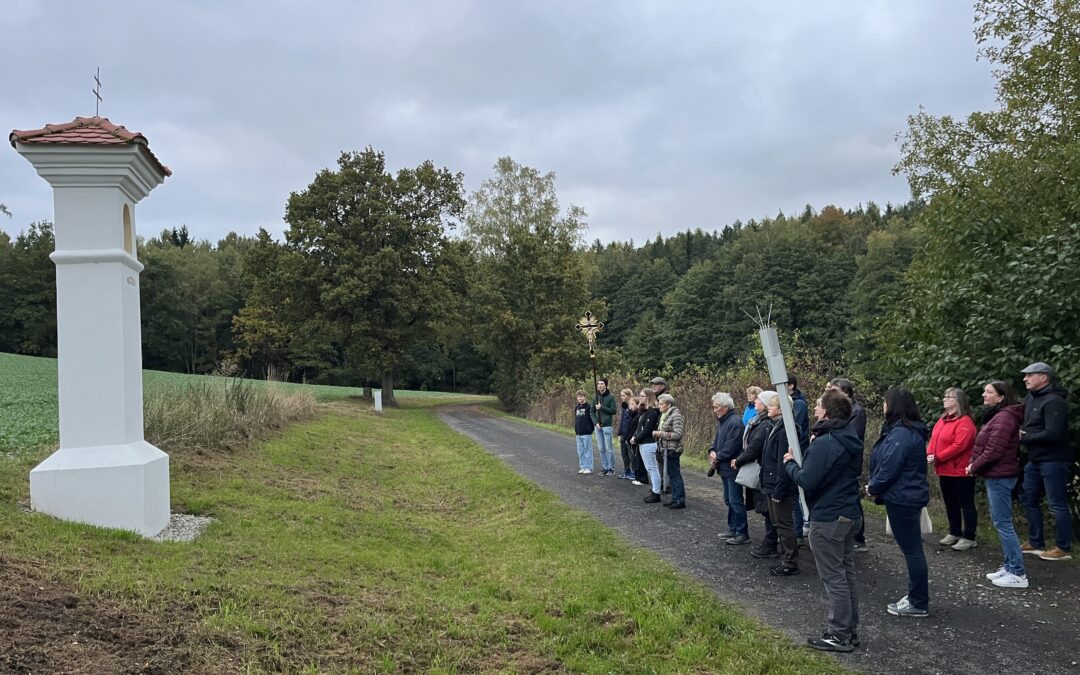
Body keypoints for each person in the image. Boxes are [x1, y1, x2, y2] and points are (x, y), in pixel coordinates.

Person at [784, 390, 864, 652]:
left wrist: (790, 465)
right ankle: (848, 630)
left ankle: (839, 634)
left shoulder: (826, 442)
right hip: (849, 513)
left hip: (829, 516)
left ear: (828, 412)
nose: (815, 410)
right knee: (846, 572)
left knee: (834, 576)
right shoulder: (849, 436)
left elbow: (807, 479)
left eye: (818, 406)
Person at [867, 387, 930, 618]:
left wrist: (873, 486)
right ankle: (916, 597)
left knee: (912, 551)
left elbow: (890, 466)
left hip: (903, 497)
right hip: (904, 494)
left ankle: (918, 601)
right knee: (911, 549)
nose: (883, 406)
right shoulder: (900, 431)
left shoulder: (902, 434)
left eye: (885, 402)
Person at [969, 380, 1028, 588]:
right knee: (1000, 522)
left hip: (1000, 475)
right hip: (996, 475)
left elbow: (994, 450)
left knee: (1003, 524)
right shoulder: (1000, 416)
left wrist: (973, 466)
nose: (984, 395)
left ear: (1001, 397)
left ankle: (1018, 573)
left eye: (988, 392)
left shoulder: (1004, 418)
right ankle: (1010, 565)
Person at [1019, 362, 1074, 561]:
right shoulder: (1030, 399)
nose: (1025, 379)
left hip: (1054, 459)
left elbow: (1052, 433)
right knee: (1029, 498)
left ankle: (1063, 547)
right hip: (1034, 458)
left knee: (1056, 503)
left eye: (1030, 375)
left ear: (1044, 377)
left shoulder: (1054, 401)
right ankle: (1035, 541)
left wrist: (1024, 437)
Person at [760, 390, 806, 576]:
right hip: (771, 483)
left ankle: (790, 561)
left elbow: (782, 462)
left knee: (784, 523)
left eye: (771, 405)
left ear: (781, 410)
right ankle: (785, 556)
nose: (768, 408)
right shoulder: (774, 426)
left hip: (779, 486)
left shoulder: (786, 430)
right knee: (777, 521)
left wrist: (778, 490)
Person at [927, 387, 978, 550]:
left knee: (965, 502)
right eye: (945, 396)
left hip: (961, 470)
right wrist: (929, 453)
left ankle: (969, 536)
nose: (944, 399)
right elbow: (934, 439)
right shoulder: (942, 420)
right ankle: (954, 531)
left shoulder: (965, 422)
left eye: (949, 397)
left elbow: (960, 445)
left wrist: (939, 456)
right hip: (944, 469)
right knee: (950, 502)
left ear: (958, 402)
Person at [827, 377, 869, 550]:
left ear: (846, 392)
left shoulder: (857, 411)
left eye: (835, 390)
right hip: (841, 458)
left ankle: (859, 536)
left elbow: (853, 434)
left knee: (852, 498)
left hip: (850, 460)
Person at [736, 391, 775, 552]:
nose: (756, 402)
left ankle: (771, 543)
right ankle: (770, 541)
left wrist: (739, 460)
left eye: (759, 400)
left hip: (762, 469)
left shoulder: (765, 424)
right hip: (760, 468)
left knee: (767, 509)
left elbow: (755, 447)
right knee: (765, 509)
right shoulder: (758, 421)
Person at [707, 393, 746, 539]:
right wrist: (712, 451)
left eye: (716, 407)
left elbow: (731, 446)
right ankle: (733, 528)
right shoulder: (723, 422)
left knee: (735, 500)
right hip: (723, 466)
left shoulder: (735, 423)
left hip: (731, 467)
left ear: (725, 407)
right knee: (729, 500)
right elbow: (716, 441)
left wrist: (718, 456)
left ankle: (742, 532)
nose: (715, 410)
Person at [788, 375, 811, 540]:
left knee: (799, 489)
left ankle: (805, 524)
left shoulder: (799, 404)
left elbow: (793, 426)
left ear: (791, 386)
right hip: (792, 451)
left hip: (799, 450)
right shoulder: (788, 402)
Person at [654, 393, 686, 509]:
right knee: (671, 475)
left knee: (675, 474)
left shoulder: (676, 415)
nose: (659, 406)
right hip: (665, 449)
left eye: (662, 404)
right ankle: (674, 498)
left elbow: (678, 434)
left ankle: (680, 499)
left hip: (673, 449)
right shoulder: (665, 416)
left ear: (668, 404)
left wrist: (660, 434)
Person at [631, 389, 662, 503]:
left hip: (648, 443)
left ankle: (656, 492)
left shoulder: (652, 413)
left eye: (643, 396)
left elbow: (647, 430)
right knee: (650, 468)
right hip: (643, 443)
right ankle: (655, 489)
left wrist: (636, 439)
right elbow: (640, 428)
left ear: (648, 397)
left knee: (652, 468)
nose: (641, 398)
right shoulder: (644, 412)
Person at [593, 378, 618, 476]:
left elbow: (613, 410)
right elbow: (591, 411)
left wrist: (601, 407)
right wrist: (596, 423)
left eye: (602, 384)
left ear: (606, 385)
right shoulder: (595, 397)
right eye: (598, 384)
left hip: (607, 426)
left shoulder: (611, 397)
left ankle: (611, 468)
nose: (599, 385)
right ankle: (605, 467)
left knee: (609, 448)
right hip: (598, 427)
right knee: (601, 449)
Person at [616, 388, 639, 480]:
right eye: (621, 395)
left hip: (630, 435)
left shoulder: (633, 407)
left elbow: (633, 422)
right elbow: (622, 421)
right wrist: (619, 433)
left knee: (631, 454)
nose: (622, 397)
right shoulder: (623, 406)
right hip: (623, 434)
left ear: (629, 396)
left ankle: (633, 472)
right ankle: (627, 471)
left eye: (624, 395)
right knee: (624, 454)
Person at [573, 390, 596, 474]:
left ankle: (589, 467)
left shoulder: (589, 407)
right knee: (580, 451)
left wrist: (590, 429)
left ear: (585, 397)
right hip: (578, 433)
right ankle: (583, 466)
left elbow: (592, 419)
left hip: (586, 432)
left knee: (587, 450)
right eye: (578, 396)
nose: (580, 398)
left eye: (581, 396)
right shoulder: (576, 407)